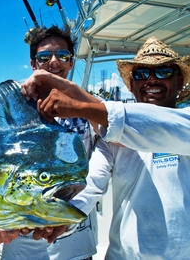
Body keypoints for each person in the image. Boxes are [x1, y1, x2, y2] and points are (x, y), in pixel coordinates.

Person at [23, 37, 190, 259]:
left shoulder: (184, 123)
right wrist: (63, 218)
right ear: (131, 85)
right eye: (141, 75)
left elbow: (160, 126)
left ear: (179, 82)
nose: (151, 80)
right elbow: (91, 185)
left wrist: (75, 100)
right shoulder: (114, 137)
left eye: (163, 72)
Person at [0, 25, 98, 260]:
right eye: (44, 57)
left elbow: (116, 135)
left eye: (63, 56)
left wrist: (72, 94)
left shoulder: (89, 108)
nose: (54, 62)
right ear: (33, 65)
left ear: (71, 62)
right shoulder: (13, 112)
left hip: (75, 248)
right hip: (21, 246)